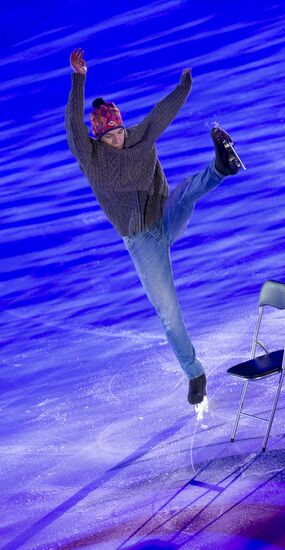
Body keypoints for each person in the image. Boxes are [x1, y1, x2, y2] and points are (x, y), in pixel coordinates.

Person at [65, 48, 243, 407]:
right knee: (168, 312)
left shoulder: (138, 136)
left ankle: (223, 165)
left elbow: (162, 113)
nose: (118, 138)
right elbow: (72, 125)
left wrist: (184, 88)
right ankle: (195, 373)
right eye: (110, 135)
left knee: (189, 191)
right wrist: (79, 79)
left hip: (165, 216)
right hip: (142, 244)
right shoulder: (92, 158)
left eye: (119, 130)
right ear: (98, 137)